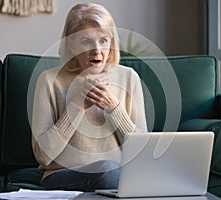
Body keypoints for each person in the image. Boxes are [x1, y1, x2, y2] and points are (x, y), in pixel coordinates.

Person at [31, 2, 147, 192]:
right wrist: (76, 105)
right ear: (71, 44)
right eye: (86, 41)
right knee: (108, 170)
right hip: (63, 174)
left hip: (120, 175)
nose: (97, 50)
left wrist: (114, 108)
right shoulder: (49, 80)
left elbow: (142, 153)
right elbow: (43, 156)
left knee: (116, 172)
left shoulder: (129, 77)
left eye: (103, 40)